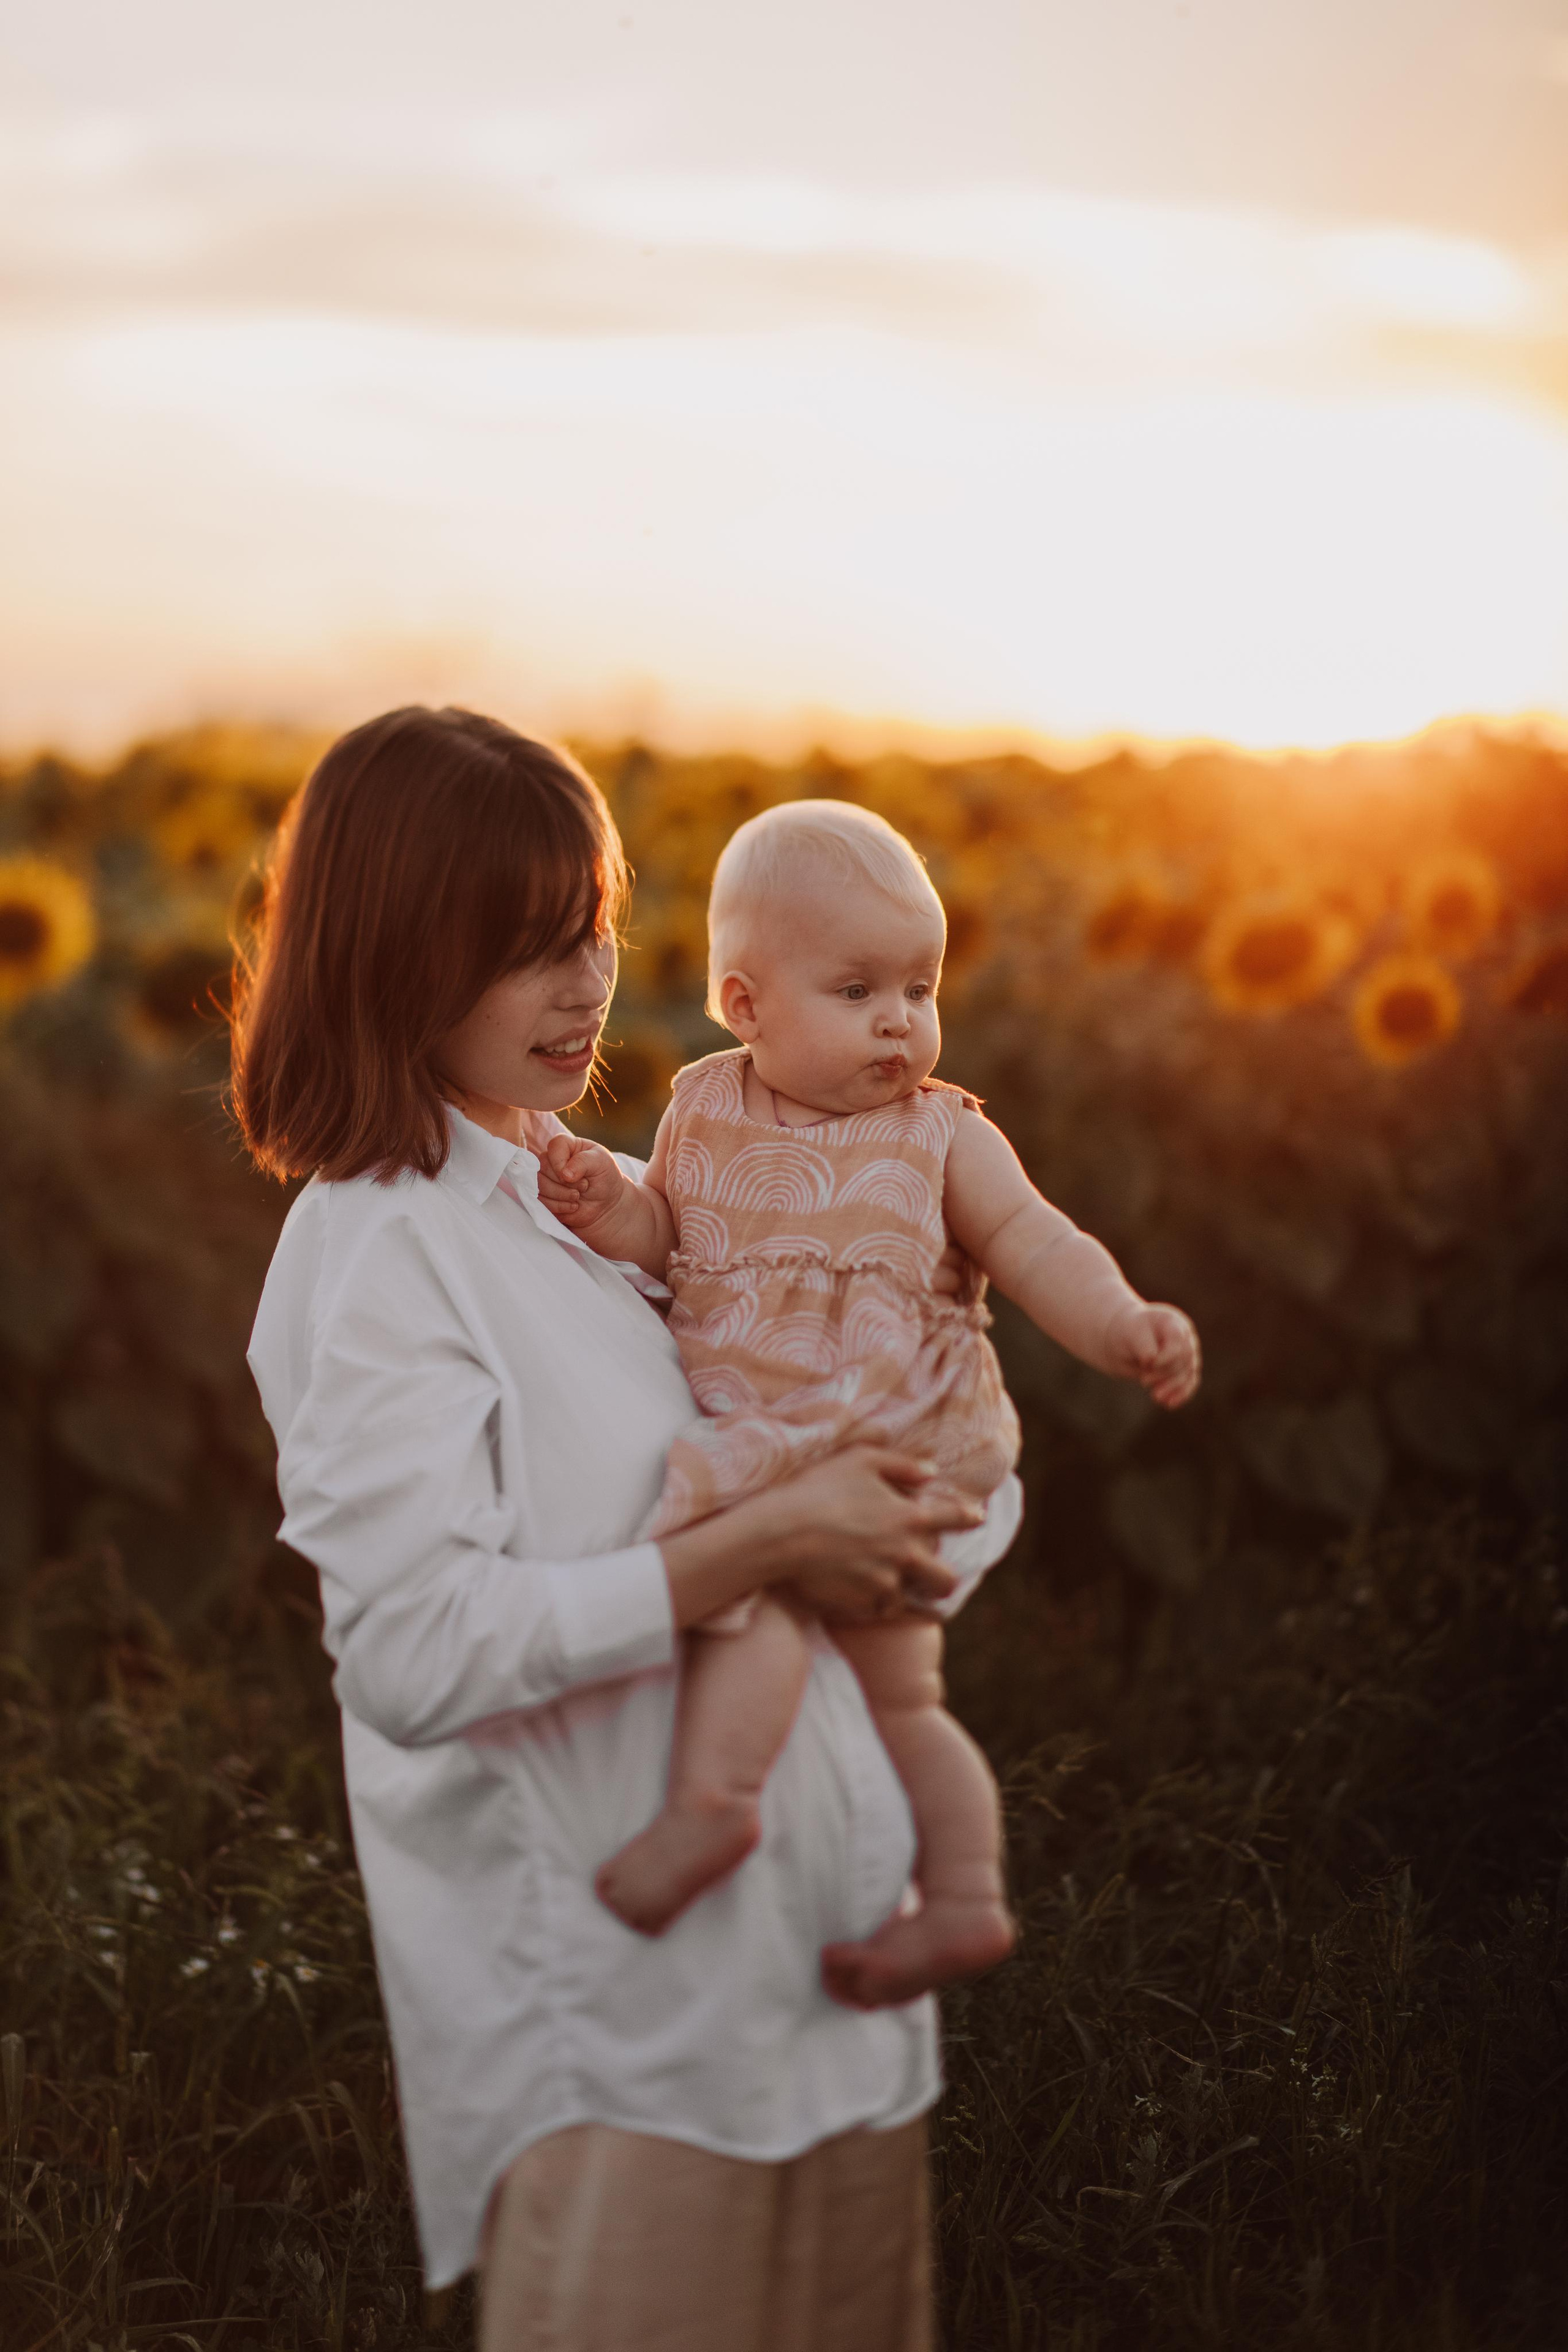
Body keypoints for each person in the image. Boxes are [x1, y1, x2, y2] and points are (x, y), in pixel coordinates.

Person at [235, 708, 990, 2352]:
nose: (586, 987)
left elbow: (881, 1495)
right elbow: (418, 1655)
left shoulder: (616, 1202)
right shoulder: (384, 1253)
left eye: (590, 927)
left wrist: (924, 1474)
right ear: (388, 959)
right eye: (524, 950)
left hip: (829, 1991)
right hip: (635, 2047)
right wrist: (763, 1547)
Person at [536, 801, 1202, 2008]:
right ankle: (961, 1902)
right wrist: (605, 1207)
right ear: (745, 1006)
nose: (901, 1021)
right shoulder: (701, 1109)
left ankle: (713, 1810)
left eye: (919, 986)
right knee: (894, 1688)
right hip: (774, 1429)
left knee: (764, 1595)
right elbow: (667, 1237)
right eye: (857, 991)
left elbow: (1034, 1242)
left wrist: (1119, 1325)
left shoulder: (942, 1134)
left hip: (894, 1427)